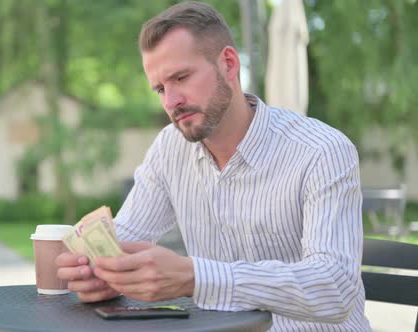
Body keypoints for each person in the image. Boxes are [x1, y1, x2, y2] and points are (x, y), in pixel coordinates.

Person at [56, 1, 371, 331]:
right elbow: (126, 238)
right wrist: (101, 272)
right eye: (161, 88)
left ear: (229, 64)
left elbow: (335, 288)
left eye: (181, 77)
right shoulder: (170, 148)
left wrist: (195, 276)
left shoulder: (322, 150)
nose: (171, 101)